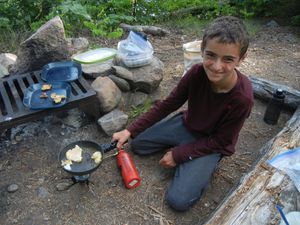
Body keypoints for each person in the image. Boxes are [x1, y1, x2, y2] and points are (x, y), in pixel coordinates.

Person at [112, 16, 254, 211]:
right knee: (137, 145)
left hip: (212, 142)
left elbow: (222, 141)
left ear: (241, 58)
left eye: (228, 59)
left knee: (178, 201)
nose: (216, 65)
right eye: (210, 55)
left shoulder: (242, 98)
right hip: (189, 124)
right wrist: (130, 130)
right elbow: (168, 104)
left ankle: (201, 163)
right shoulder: (196, 73)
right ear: (202, 50)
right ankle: (187, 148)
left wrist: (179, 155)